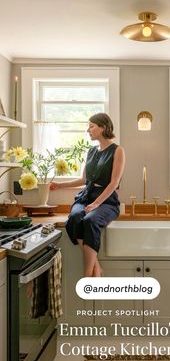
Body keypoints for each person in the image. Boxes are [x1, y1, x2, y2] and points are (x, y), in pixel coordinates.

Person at [50, 113, 125, 277]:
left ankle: (87, 273)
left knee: (90, 220)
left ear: (103, 127)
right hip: (85, 196)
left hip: (106, 200)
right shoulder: (91, 151)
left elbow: (114, 183)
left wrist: (97, 203)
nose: (88, 130)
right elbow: (84, 179)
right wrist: (59, 185)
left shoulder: (118, 150)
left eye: (91, 126)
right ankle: (96, 266)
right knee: (75, 216)